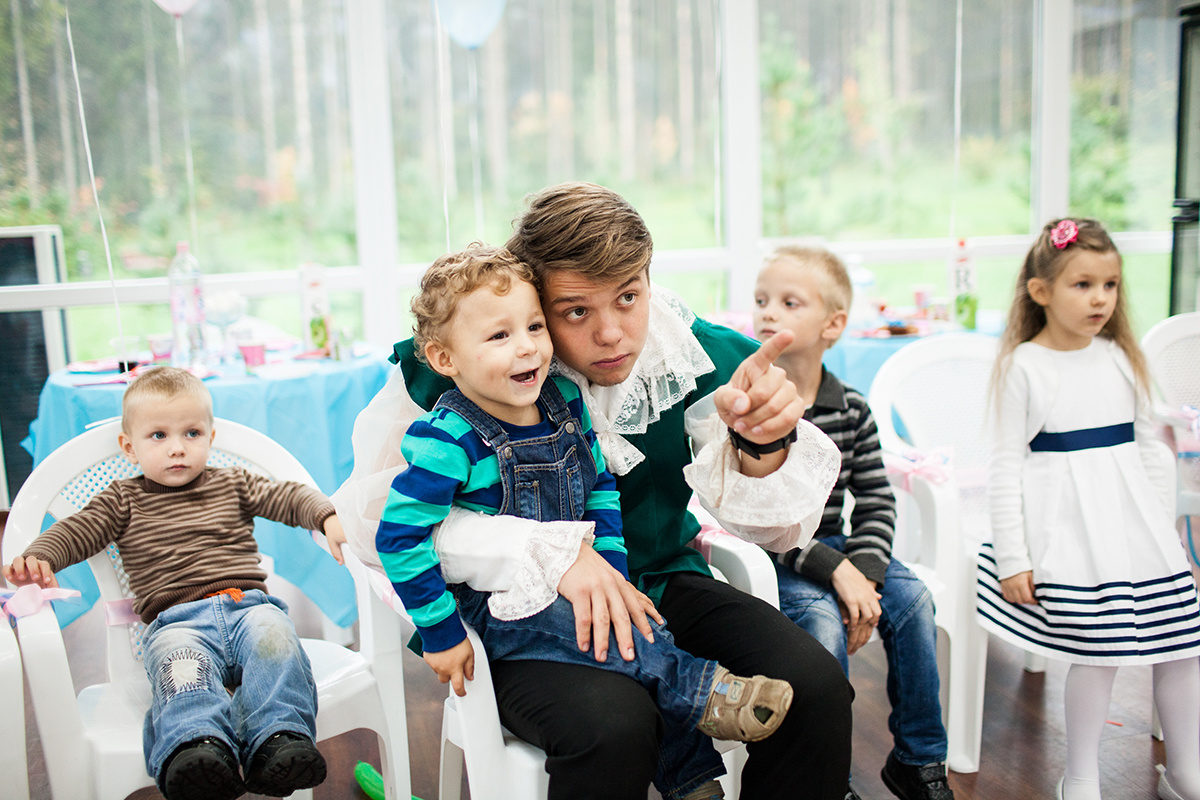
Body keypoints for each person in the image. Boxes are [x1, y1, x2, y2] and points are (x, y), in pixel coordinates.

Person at [335, 181, 854, 800]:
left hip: (660, 585)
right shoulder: (465, 363)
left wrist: (763, 442)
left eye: (629, 297)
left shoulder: (684, 349)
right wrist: (553, 557)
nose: (613, 333)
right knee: (615, 725)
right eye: (576, 311)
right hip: (518, 613)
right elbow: (374, 520)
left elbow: (777, 528)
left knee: (815, 688)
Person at [3, 366, 348, 800]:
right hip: (176, 621)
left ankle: (278, 740)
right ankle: (196, 749)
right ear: (129, 447)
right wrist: (41, 555)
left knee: (277, 639)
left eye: (191, 433)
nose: (177, 448)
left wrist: (326, 515)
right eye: (159, 436)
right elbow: (77, 530)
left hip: (247, 607)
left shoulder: (233, 483)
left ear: (210, 437)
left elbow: (288, 496)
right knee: (180, 669)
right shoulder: (121, 499)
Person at [977, 218, 1200, 800]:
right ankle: (1080, 775)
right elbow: (1005, 464)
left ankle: (1186, 770)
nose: (1100, 298)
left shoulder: (1122, 357)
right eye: (1082, 284)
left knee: (1182, 646)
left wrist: (1160, 523)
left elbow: (1150, 445)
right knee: (1099, 653)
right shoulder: (1024, 366)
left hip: (1136, 529)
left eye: (1110, 284)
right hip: (1070, 532)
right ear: (1041, 291)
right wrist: (1013, 557)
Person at [751, 245, 955, 800]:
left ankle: (919, 759)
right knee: (821, 622)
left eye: (790, 303)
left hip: (840, 547)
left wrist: (863, 571)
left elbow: (876, 499)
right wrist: (835, 573)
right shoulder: (752, 408)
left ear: (833, 326)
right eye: (762, 300)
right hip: (781, 558)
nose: (768, 313)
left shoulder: (852, 409)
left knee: (912, 604)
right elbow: (760, 522)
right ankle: (829, 779)